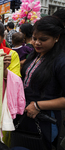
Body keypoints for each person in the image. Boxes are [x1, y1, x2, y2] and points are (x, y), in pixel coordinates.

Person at [20, 16, 65, 149]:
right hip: (28, 116)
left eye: (43, 39)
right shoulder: (35, 55)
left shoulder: (61, 62)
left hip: (45, 119)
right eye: (34, 38)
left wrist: (38, 105)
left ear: (56, 37)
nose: (37, 43)